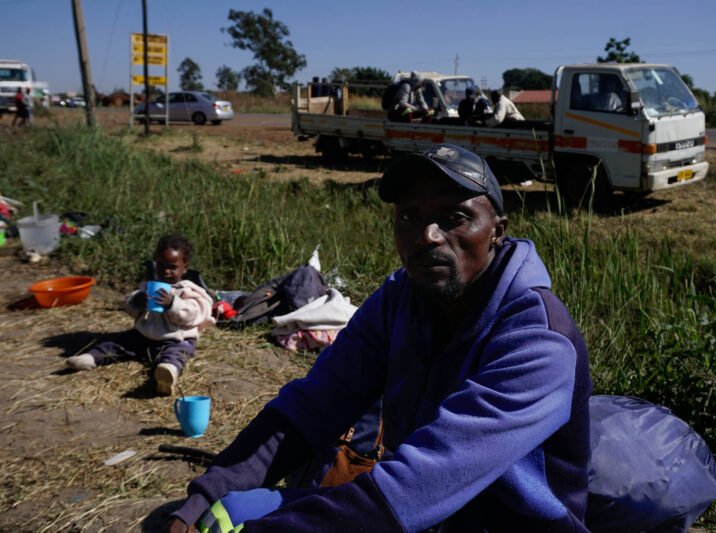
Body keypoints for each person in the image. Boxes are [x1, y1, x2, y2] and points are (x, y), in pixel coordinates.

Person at [167, 144, 591, 533]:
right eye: (409, 216)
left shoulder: (537, 339)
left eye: (454, 217)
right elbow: (313, 406)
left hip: (500, 523)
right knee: (230, 512)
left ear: (497, 230)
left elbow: (418, 486)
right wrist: (204, 497)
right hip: (420, 516)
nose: (428, 236)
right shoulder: (401, 300)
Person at [66, 234, 214, 396]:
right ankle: (92, 357)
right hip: (145, 336)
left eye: (172, 267)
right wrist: (138, 301)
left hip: (176, 339)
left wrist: (173, 304)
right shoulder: (149, 286)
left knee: (177, 353)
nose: (166, 271)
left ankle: (167, 371)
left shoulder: (187, 290)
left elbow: (195, 315)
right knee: (119, 342)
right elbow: (129, 306)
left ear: (184, 267)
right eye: (161, 265)